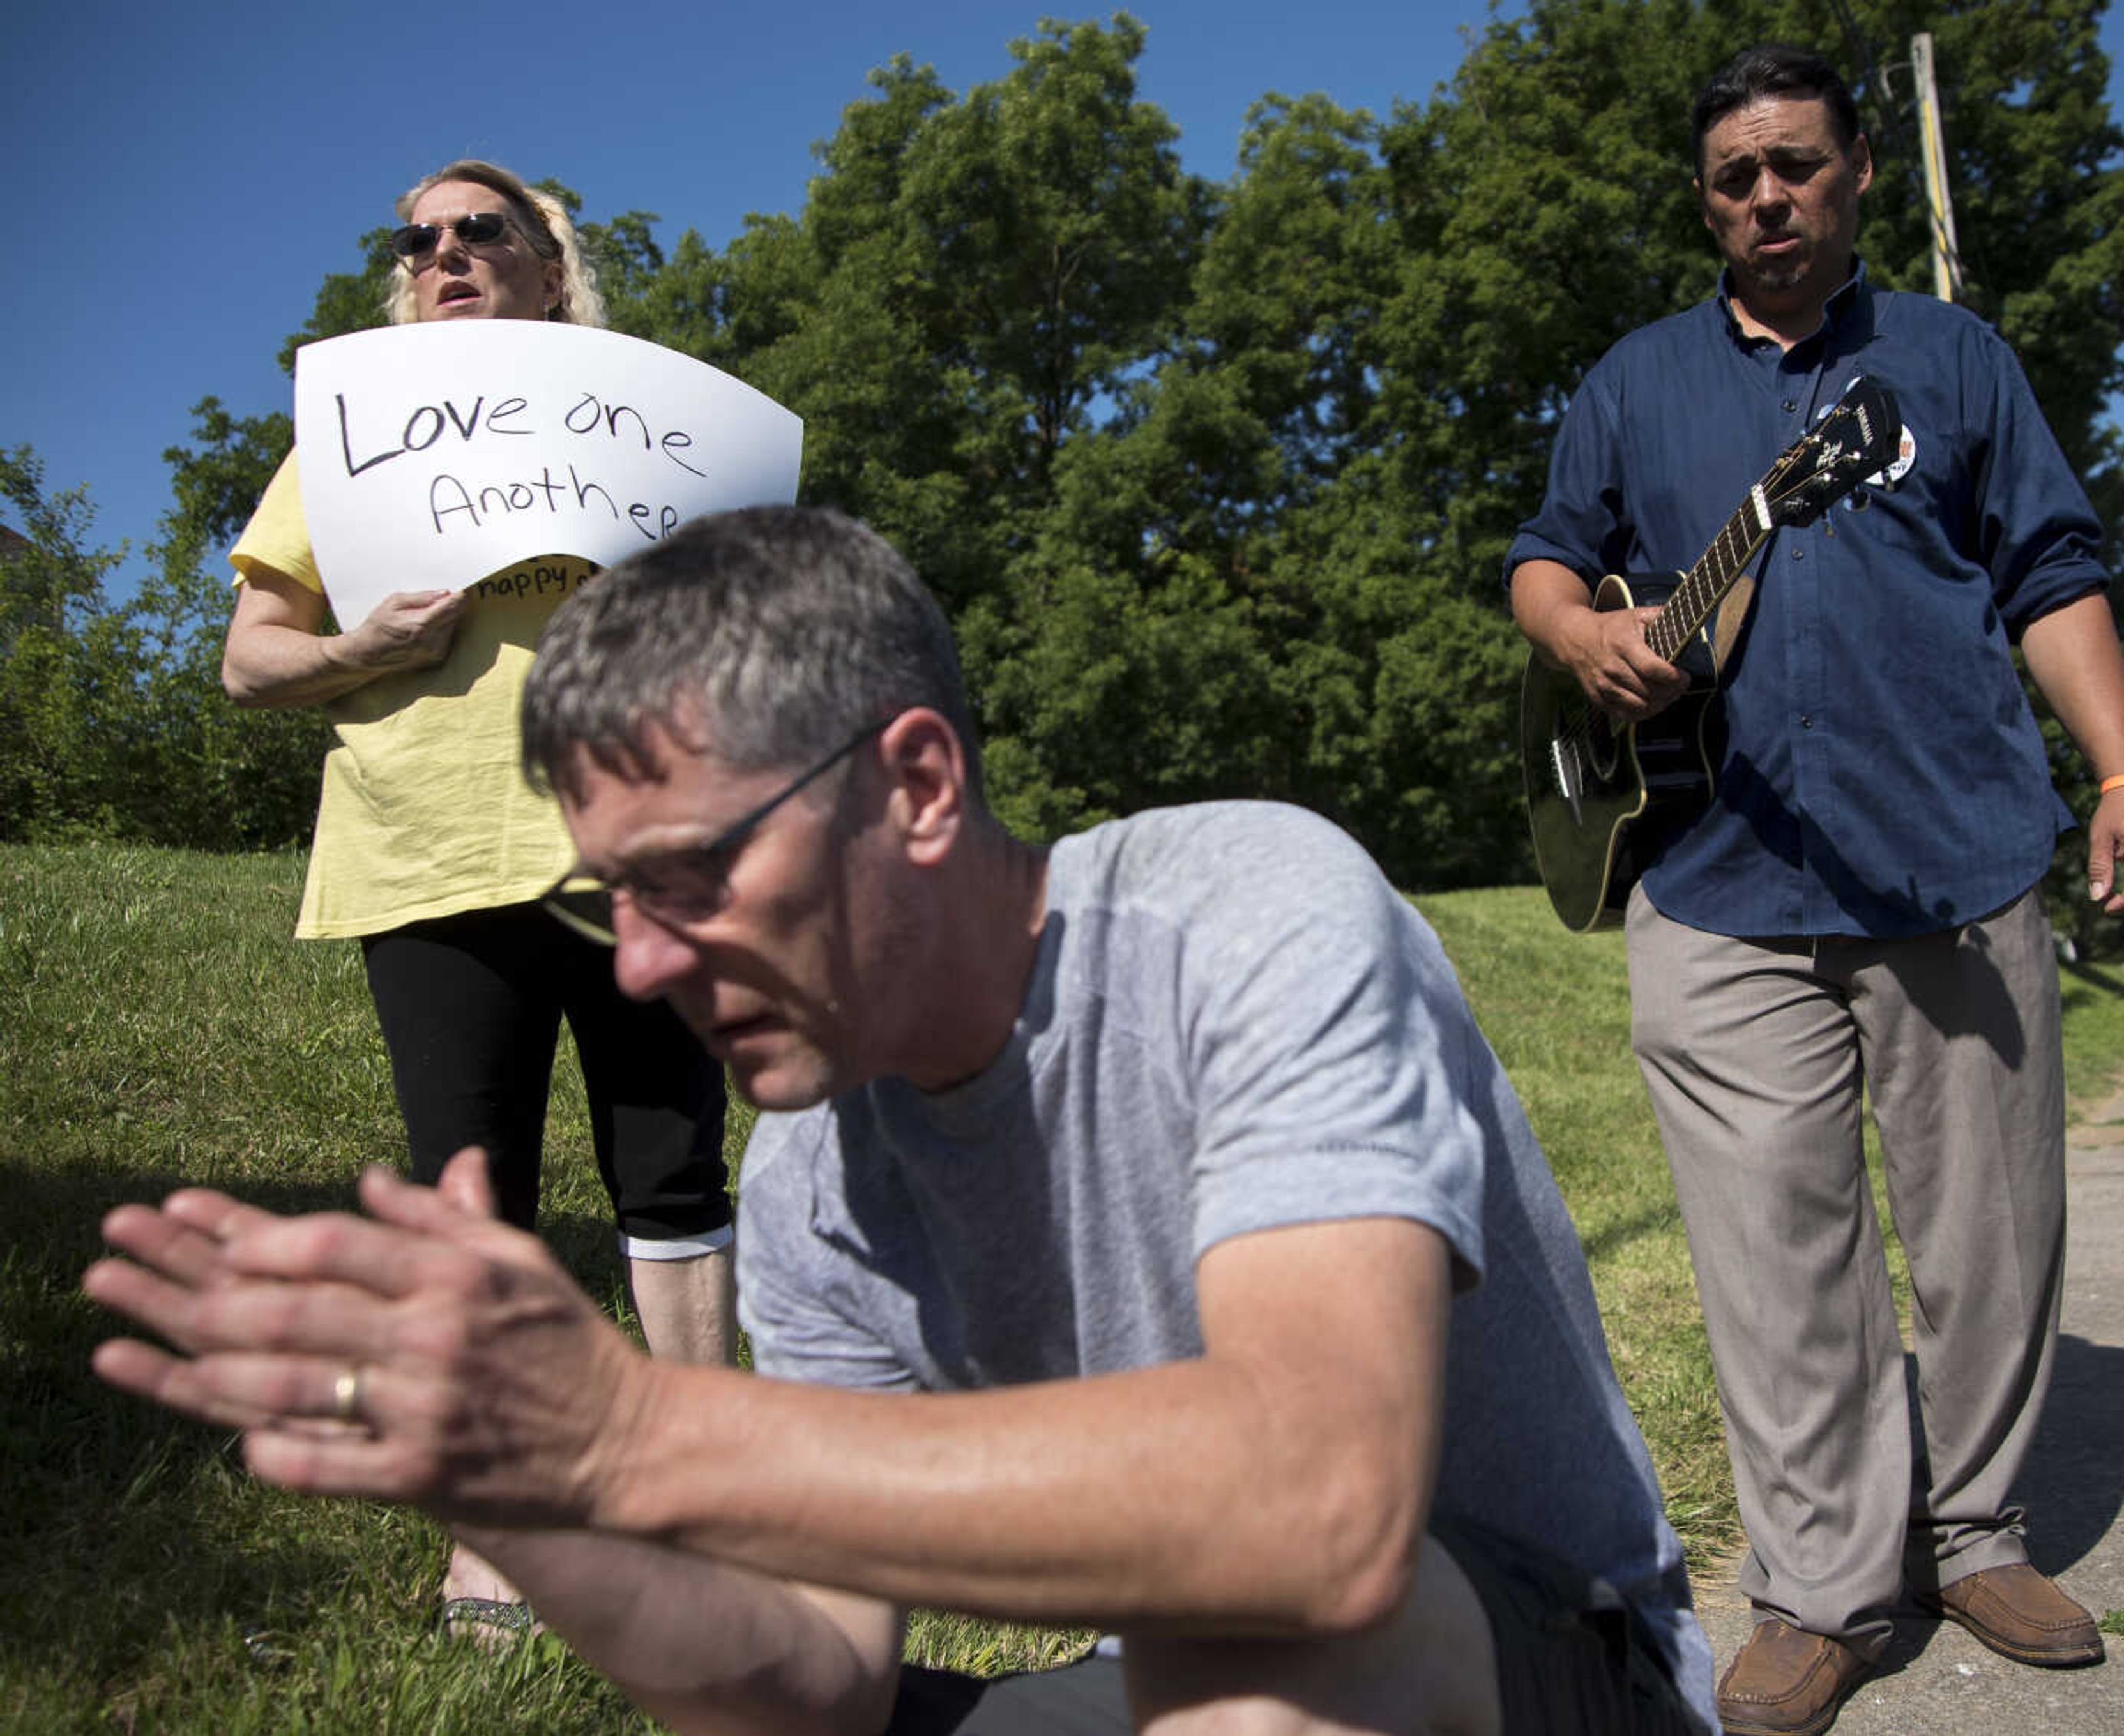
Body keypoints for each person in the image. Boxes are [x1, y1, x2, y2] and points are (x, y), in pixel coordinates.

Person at [90, 504, 1722, 1735]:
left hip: (1556, 1668)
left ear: (920, 785)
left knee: (1253, 1675)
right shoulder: (812, 1173)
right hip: (1168, 1672)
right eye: (613, 901)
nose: (644, 963)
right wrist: (522, 1491)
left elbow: (1321, 1514)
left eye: (695, 874)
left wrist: (636, 1428)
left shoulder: (1244, 906)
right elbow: (817, 1679)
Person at [1505, 43, 2124, 1736]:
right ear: (1706, 198)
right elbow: (1542, 554)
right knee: (1772, 1261)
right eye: (1735, 178)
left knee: (1985, 1240)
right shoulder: (1635, 382)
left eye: (1796, 166)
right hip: (1713, 879)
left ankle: (1978, 1532)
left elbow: (2054, 572)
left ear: (1861, 169)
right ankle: (1820, 1589)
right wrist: (1583, 630)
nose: (1767, 200)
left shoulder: (1948, 363)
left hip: (1951, 858)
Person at [216, 159, 736, 1636]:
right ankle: (497, 1536)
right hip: (432, 851)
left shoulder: (651, 423)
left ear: (548, 265)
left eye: (480, 228)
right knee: (475, 1194)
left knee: (673, 1172)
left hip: (636, 847)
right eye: (419, 238)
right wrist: (364, 646)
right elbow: (251, 659)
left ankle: (704, 1500)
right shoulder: (353, 436)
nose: (446, 251)